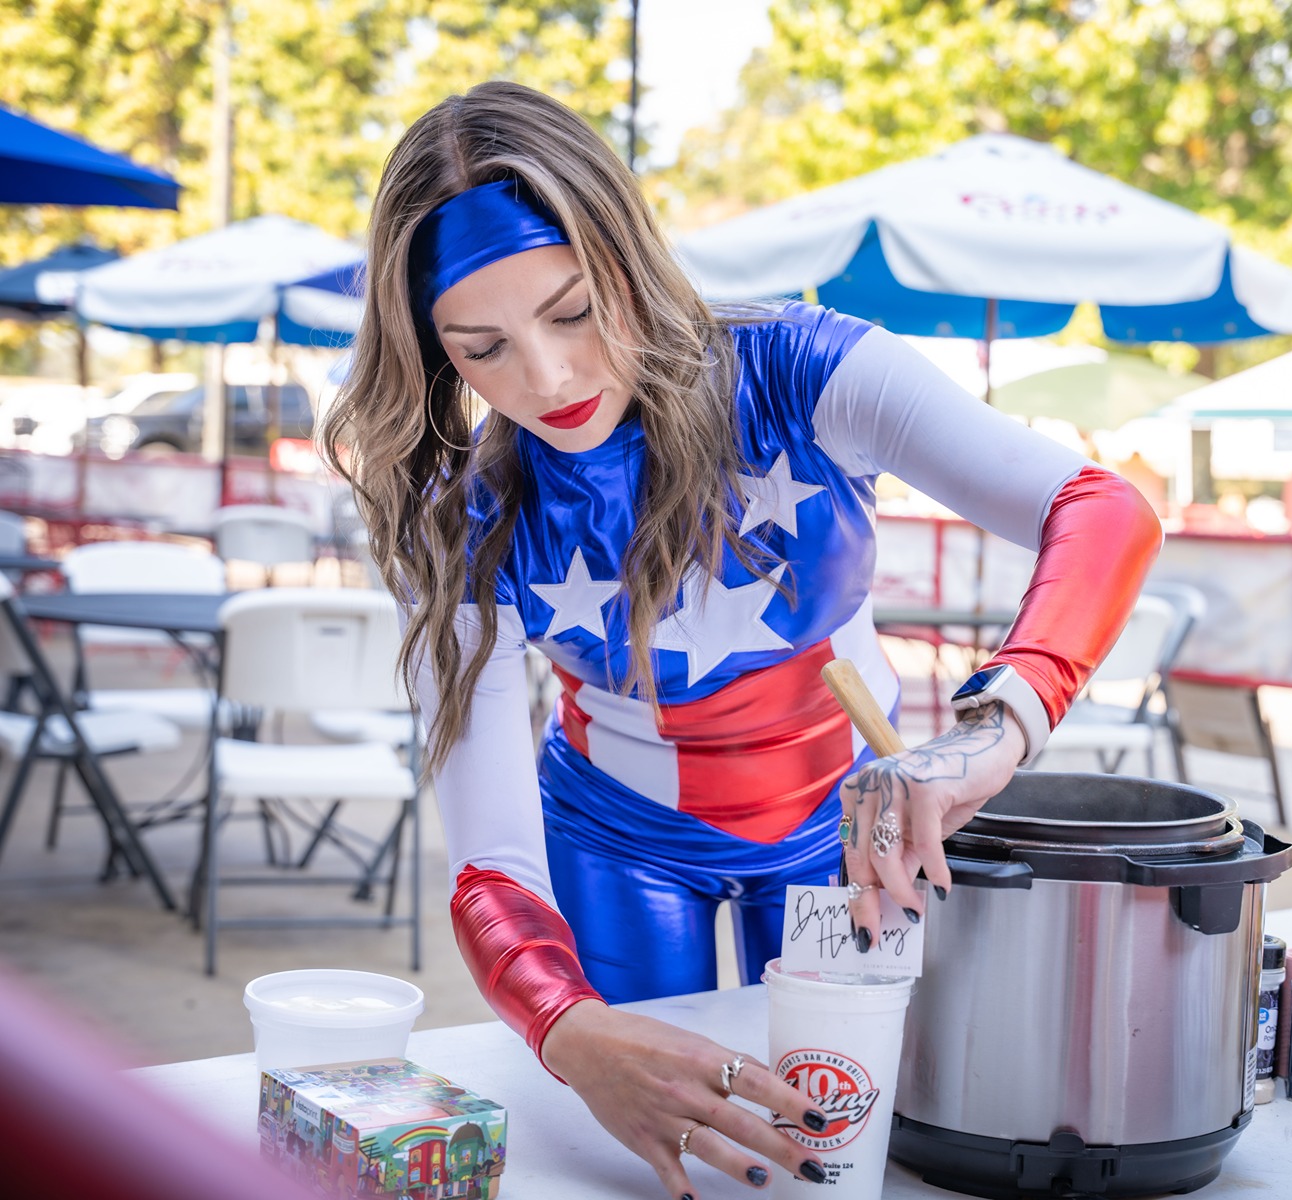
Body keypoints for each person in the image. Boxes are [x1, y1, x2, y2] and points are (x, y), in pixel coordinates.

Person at [321, 81, 1162, 1200]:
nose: (548, 379)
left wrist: (997, 728)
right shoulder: (457, 515)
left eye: (573, 312)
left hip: (843, 819)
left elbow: (1103, 509)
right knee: (649, 1166)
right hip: (614, 839)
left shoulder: (801, 366)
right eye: (483, 349)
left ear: (628, 255)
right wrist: (565, 1029)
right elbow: (490, 860)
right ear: (435, 356)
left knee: (848, 1152)